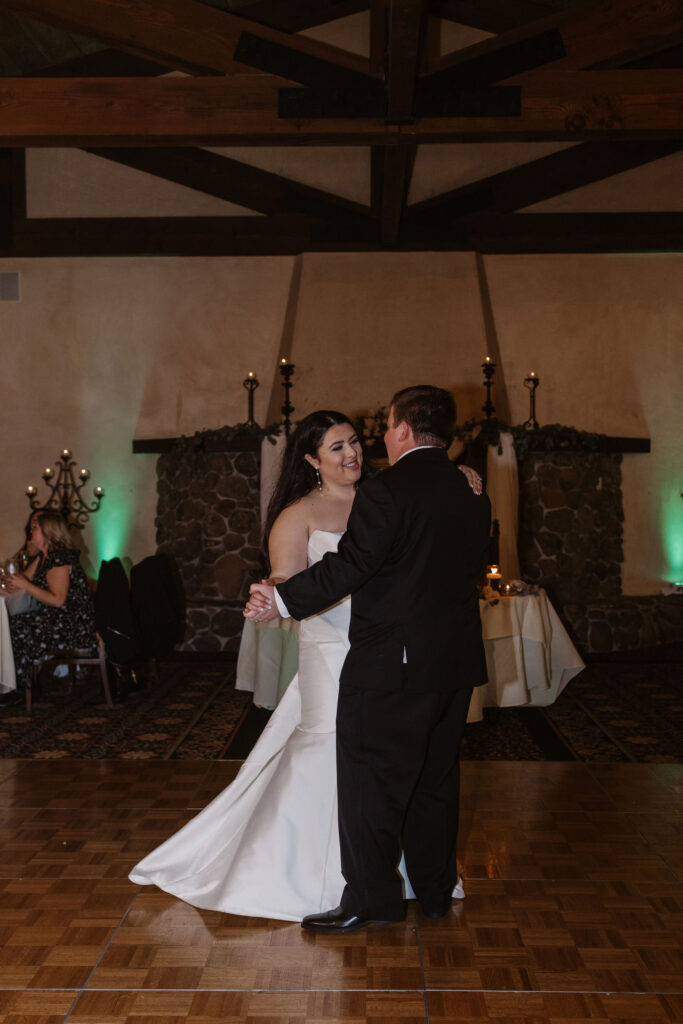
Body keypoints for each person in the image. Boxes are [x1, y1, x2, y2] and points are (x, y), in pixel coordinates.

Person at [128, 408, 481, 921]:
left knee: (399, 769)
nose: (353, 453)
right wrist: (268, 599)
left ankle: (388, 878)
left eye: (356, 441)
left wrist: (461, 475)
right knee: (332, 754)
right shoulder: (298, 515)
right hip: (333, 652)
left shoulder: (391, 492)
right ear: (313, 460)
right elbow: (285, 582)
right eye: (336, 447)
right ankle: (318, 880)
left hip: (392, 654)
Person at [247, 385, 491, 934]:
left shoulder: (389, 492)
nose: (372, 443)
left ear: (402, 429)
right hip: (452, 662)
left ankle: (374, 899)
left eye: (380, 430)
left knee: (370, 785)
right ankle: (431, 891)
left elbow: (352, 566)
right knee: (435, 781)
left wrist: (280, 600)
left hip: (391, 664)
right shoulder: (470, 488)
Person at [3, 511, 97, 701]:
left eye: (36, 527)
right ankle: (21, 685)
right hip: (54, 617)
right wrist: (6, 587)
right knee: (11, 621)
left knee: (17, 626)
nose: (31, 529)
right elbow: (22, 581)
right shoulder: (43, 556)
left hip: (71, 623)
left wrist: (24, 585)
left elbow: (57, 600)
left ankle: (22, 688)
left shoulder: (59, 557)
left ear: (48, 531)